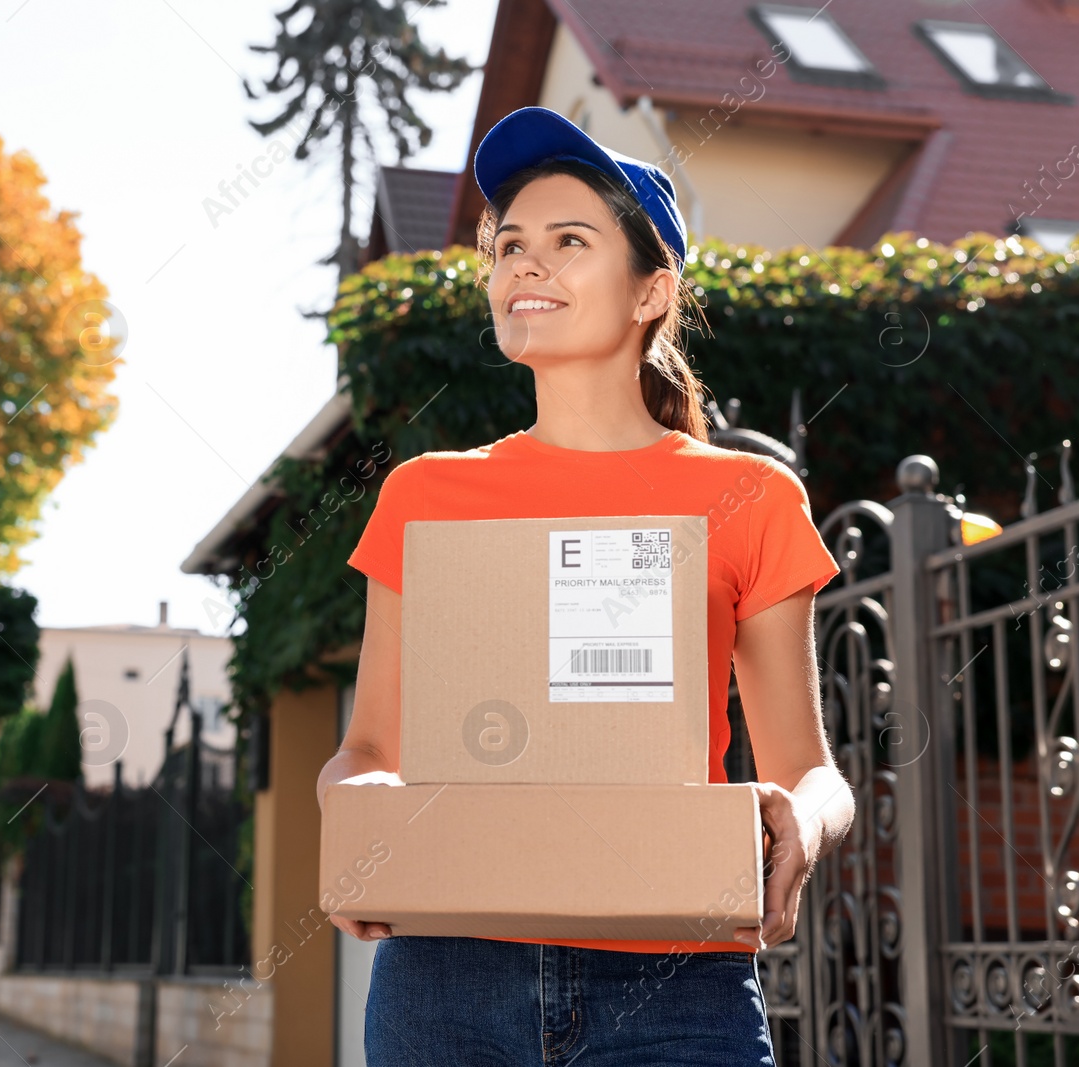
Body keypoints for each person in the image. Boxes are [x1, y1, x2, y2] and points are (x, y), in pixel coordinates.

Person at [316, 106, 855, 1064]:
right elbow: (364, 746)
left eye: (570, 240)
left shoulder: (748, 497)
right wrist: (359, 822)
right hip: (446, 978)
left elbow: (812, 769)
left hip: (674, 978)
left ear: (653, 290)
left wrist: (800, 822)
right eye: (510, 244)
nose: (528, 263)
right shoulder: (425, 494)